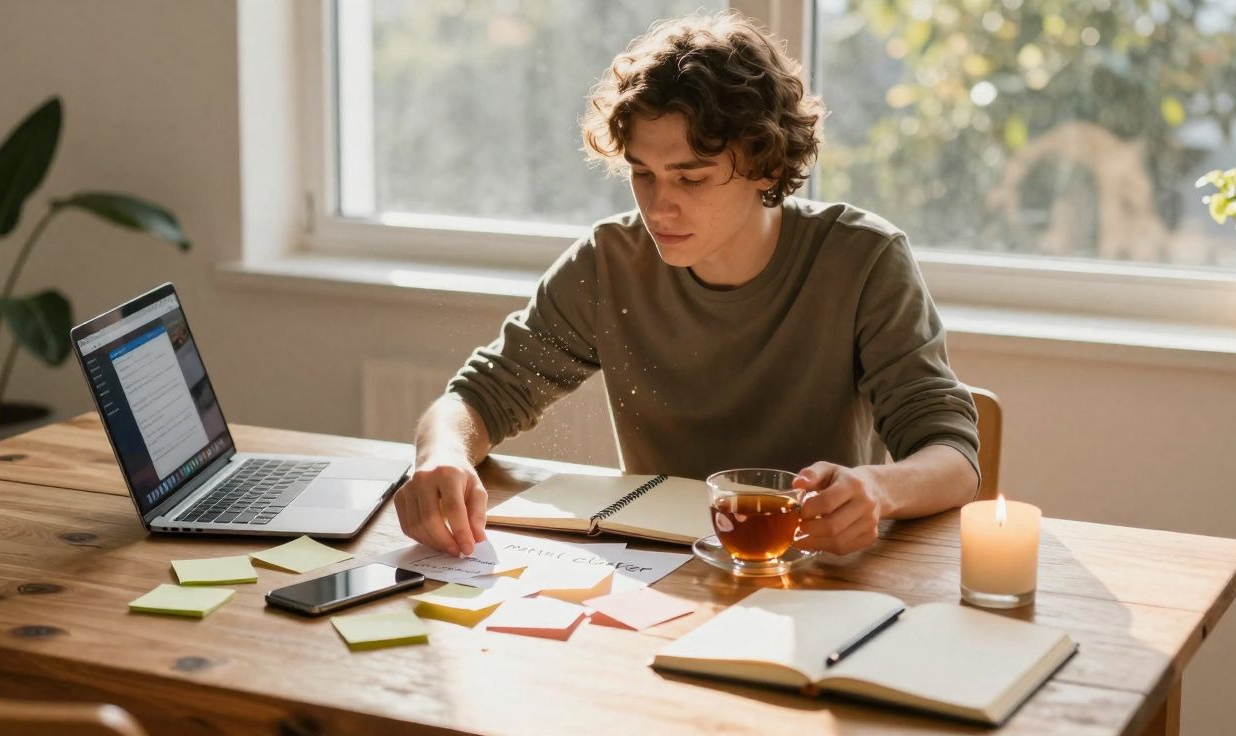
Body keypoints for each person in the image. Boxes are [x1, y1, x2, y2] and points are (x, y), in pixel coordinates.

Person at [395, 12, 980, 559]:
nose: (658, 207)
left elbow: (952, 456)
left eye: (691, 178)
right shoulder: (610, 262)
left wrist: (877, 489)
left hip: (809, 568)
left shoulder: (863, 260)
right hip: (659, 569)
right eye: (641, 173)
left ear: (767, 167)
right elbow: (480, 396)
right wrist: (442, 455)